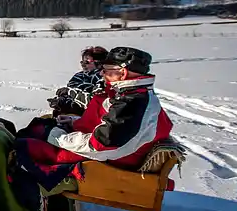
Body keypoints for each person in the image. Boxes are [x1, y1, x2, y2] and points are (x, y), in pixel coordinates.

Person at [18, 46, 174, 169]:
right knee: (38, 127)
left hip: (111, 161)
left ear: (123, 73)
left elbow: (101, 145)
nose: (101, 74)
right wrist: (74, 121)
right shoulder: (131, 95)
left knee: (23, 145)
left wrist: (57, 137)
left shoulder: (132, 103)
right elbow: (109, 125)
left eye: (106, 70)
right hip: (113, 153)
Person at [48, 46, 107, 116]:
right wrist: (60, 100)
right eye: (82, 62)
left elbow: (93, 99)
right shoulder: (79, 76)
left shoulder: (104, 77)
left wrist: (71, 93)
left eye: (86, 62)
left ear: (99, 63)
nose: (83, 65)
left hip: (89, 114)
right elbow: (70, 88)